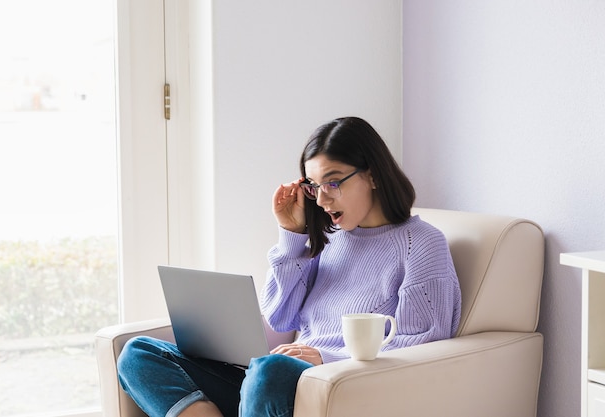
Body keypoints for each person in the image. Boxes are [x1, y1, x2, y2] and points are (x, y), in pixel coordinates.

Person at [117, 116, 461, 417]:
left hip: (330, 384)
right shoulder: (331, 240)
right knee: (138, 353)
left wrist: (325, 357)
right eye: (314, 186)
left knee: (271, 369)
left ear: (372, 176)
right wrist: (291, 235)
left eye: (333, 182)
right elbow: (280, 317)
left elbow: (423, 346)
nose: (323, 199)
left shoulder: (421, 243)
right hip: (272, 381)